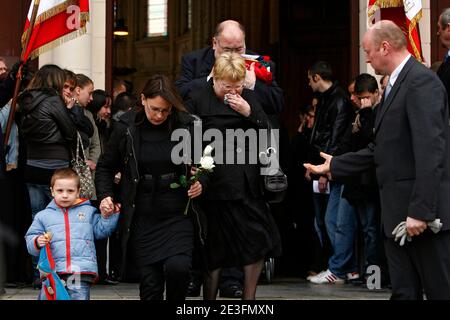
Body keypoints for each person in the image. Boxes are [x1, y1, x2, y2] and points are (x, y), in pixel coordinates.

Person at [305, 20, 450, 300]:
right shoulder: (397, 84)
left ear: (385, 47)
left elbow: (432, 151)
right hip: (396, 216)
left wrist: (421, 210)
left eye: (368, 51)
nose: (367, 57)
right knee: (404, 292)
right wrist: (335, 165)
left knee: (439, 291)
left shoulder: (421, 82)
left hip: (421, 218)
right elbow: (380, 148)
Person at [175, 19, 284, 298]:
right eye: (226, 85)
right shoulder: (200, 89)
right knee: (213, 247)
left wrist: (250, 106)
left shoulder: (252, 88)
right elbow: (186, 125)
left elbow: (270, 124)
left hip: (246, 181)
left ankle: (248, 298)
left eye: (240, 48)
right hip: (213, 180)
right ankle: (208, 298)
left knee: (255, 240)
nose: (232, 91)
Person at [95, 74, 204, 300]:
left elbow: (206, 163)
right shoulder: (126, 125)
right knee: (150, 283)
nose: (159, 115)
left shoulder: (187, 124)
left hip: (177, 210)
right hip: (142, 210)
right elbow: (105, 166)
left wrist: (201, 181)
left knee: (179, 268)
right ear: (143, 99)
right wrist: (105, 195)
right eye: (154, 109)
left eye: (165, 110)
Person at [25, 168, 119, 300]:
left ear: (78, 192)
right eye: (60, 190)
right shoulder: (43, 216)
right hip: (54, 272)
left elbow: (101, 232)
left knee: (78, 297)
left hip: (79, 270)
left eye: (70, 191)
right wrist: (37, 241)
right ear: (52, 191)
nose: (65, 195)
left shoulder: (88, 211)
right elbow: (30, 241)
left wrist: (107, 216)